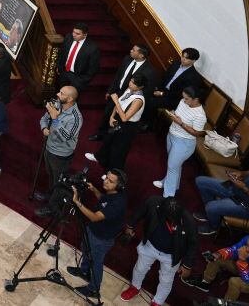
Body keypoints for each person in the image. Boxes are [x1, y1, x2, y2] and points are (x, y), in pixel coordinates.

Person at [119, 196, 198, 306]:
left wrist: (187, 265)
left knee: (166, 281)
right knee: (140, 268)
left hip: (171, 256)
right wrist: (130, 226)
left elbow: (193, 244)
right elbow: (139, 212)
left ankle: (157, 302)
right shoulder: (153, 203)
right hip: (150, 245)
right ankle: (134, 287)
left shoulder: (189, 222)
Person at [66, 169, 127, 299]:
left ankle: (94, 289)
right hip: (93, 230)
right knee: (85, 248)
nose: (106, 181)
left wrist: (77, 202)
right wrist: (94, 189)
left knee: (96, 263)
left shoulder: (118, 203)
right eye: (106, 178)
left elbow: (94, 217)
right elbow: (103, 200)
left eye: (111, 181)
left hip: (101, 238)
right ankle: (84, 271)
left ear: (119, 186)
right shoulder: (111, 194)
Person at [182, 233, 249, 300]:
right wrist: (219, 254)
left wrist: (242, 260)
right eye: (247, 245)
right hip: (246, 267)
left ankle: (228, 302)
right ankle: (205, 282)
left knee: (234, 282)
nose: (246, 249)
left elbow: (248, 278)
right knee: (218, 258)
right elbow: (235, 248)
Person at [91, 44, 157, 140]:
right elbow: (118, 76)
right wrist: (110, 91)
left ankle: (112, 138)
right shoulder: (127, 59)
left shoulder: (150, 71)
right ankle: (100, 135)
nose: (131, 50)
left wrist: (133, 103)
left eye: (134, 50)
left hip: (130, 98)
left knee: (119, 120)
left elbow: (147, 91)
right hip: (116, 92)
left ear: (141, 55)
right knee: (107, 114)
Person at [33, 85, 83, 211]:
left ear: (70, 98)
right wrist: (44, 127)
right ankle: (50, 195)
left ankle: (53, 207)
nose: (57, 94)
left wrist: (55, 119)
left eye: (61, 93)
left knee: (59, 180)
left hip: (61, 154)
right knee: (51, 175)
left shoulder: (76, 117)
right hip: (48, 147)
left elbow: (66, 137)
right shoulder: (57, 105)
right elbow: (44, 118)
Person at [86, 74, 146, 171]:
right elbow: (120, 103)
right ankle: (99, 158)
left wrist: (116, 101)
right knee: (108, 140)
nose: (130, 84)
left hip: (128, 126)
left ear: (140, 87)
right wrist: (112, 116)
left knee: (118, 150)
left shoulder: (138, 100)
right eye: (131, 81)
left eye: (134, 83)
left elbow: (125, 118)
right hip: (117, 118)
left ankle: (112, 173)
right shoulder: (129, 90)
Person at [155, 85, 206, 196]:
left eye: (187, 99)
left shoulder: (200, 115)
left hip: (184, 143)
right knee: (174, 165)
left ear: (196, 99)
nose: (184, 100)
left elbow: (196, 133)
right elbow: (179, 114)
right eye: (183, 97)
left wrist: (181, 123)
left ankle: (168, 196)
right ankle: (171, 184)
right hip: (172, 135)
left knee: (172, 166)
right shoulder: (183, 102)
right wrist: (174, 114)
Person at [57, 23, 101, 90]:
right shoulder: (68, 37)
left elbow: (93, 68)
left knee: (72, 99)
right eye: (73, 32)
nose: (74, 35)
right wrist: (60, 68)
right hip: (64, 73)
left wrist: (82, 80)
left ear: (85, 35)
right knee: (59, 93)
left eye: (77, 34)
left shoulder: (93, 48)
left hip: (77, 78)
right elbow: (62, 53)